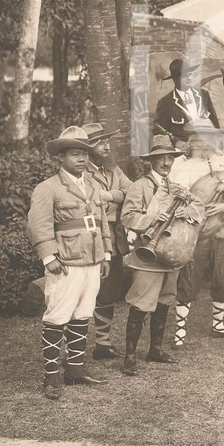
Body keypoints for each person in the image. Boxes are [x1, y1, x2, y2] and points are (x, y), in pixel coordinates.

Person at [27, 126, 114, 399]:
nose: (82, 160)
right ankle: (51, 377)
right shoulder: (48, 188)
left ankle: (75, 371)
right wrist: (48, 256)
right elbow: (38, 225)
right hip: (65, 261)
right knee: (57, 316)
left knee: (83, 314)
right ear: (61, 158)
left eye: (85, 155)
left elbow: (102, 223)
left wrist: (107, 254)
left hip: (92, 259)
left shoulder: (94, 186)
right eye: (75, 154)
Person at [119, 136, 205, 376]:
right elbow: (127, 217)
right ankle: (130, 355)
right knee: (140, 303)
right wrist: (149, 219)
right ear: (152, 162)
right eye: (161, 159)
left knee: (165, 300)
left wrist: (189, 210)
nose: (166, 162)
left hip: (171, 255)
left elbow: (199, 209)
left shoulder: (178, 186)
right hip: (147, 257)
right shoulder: (140, 186)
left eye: (170, 158)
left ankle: (155, 349)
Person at [171, 123, 224, 344]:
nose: (205, 142)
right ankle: (180, 330)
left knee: (222, 278)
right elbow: (176, 197)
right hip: (196, 231)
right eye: (200, 138)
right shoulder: (183, 167)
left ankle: (218, 324)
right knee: (190, 277)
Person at [82, 122, 133, 360]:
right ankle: (76, 346)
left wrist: (109, 196)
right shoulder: (81, 172)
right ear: (88, 147)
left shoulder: (113, 168)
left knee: (109, 288)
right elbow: (90, 202)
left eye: (107, 141)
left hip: (115, 233)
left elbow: (132, 192)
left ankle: (102, 343)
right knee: (86, 289)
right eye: (101, 142)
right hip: (89, 235)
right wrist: (112, 199)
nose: (107, 146)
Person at [154, 58, 220, 147]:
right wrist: (176, 141)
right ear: (175, 79)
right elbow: (159, 129)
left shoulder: (203, 95)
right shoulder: (165, 102)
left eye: (190, 74)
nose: (189, 78)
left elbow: (214, 122)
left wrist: (217, 143)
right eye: (185, 76)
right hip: (182, 150)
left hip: (206, 147)